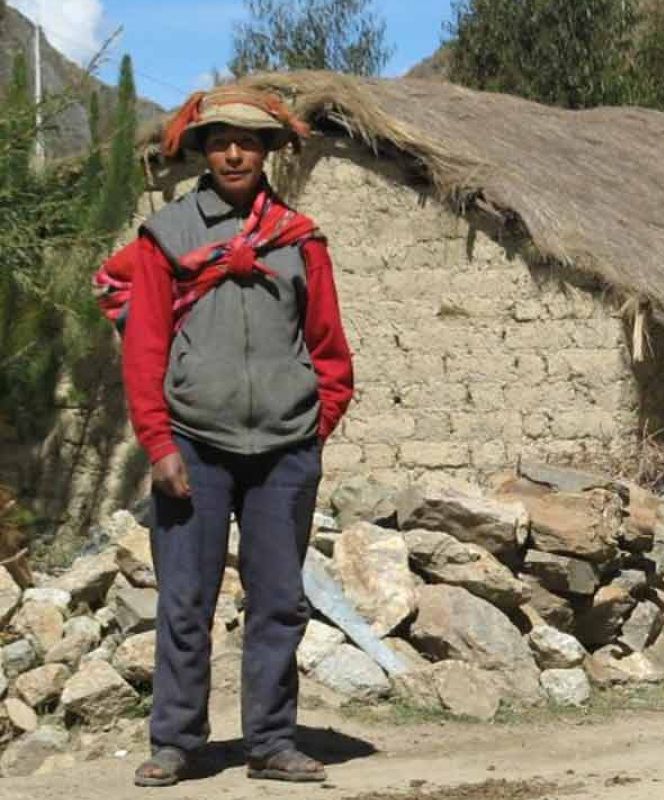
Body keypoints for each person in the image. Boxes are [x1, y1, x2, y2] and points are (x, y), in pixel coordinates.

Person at [99, 87, 354, 787]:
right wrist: (159, 445)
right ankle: (178, 741)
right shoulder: (168, 238)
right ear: (203, 152)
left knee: (278, 601)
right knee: (186, 598)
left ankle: (271, 741)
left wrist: (312, 432)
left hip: (284, 452)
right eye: (219, 141)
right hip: (193, 448)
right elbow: (144, 350)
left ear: (269, 150)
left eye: (248, 141)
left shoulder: (300, 241)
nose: (234, 152)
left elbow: (330, 348)